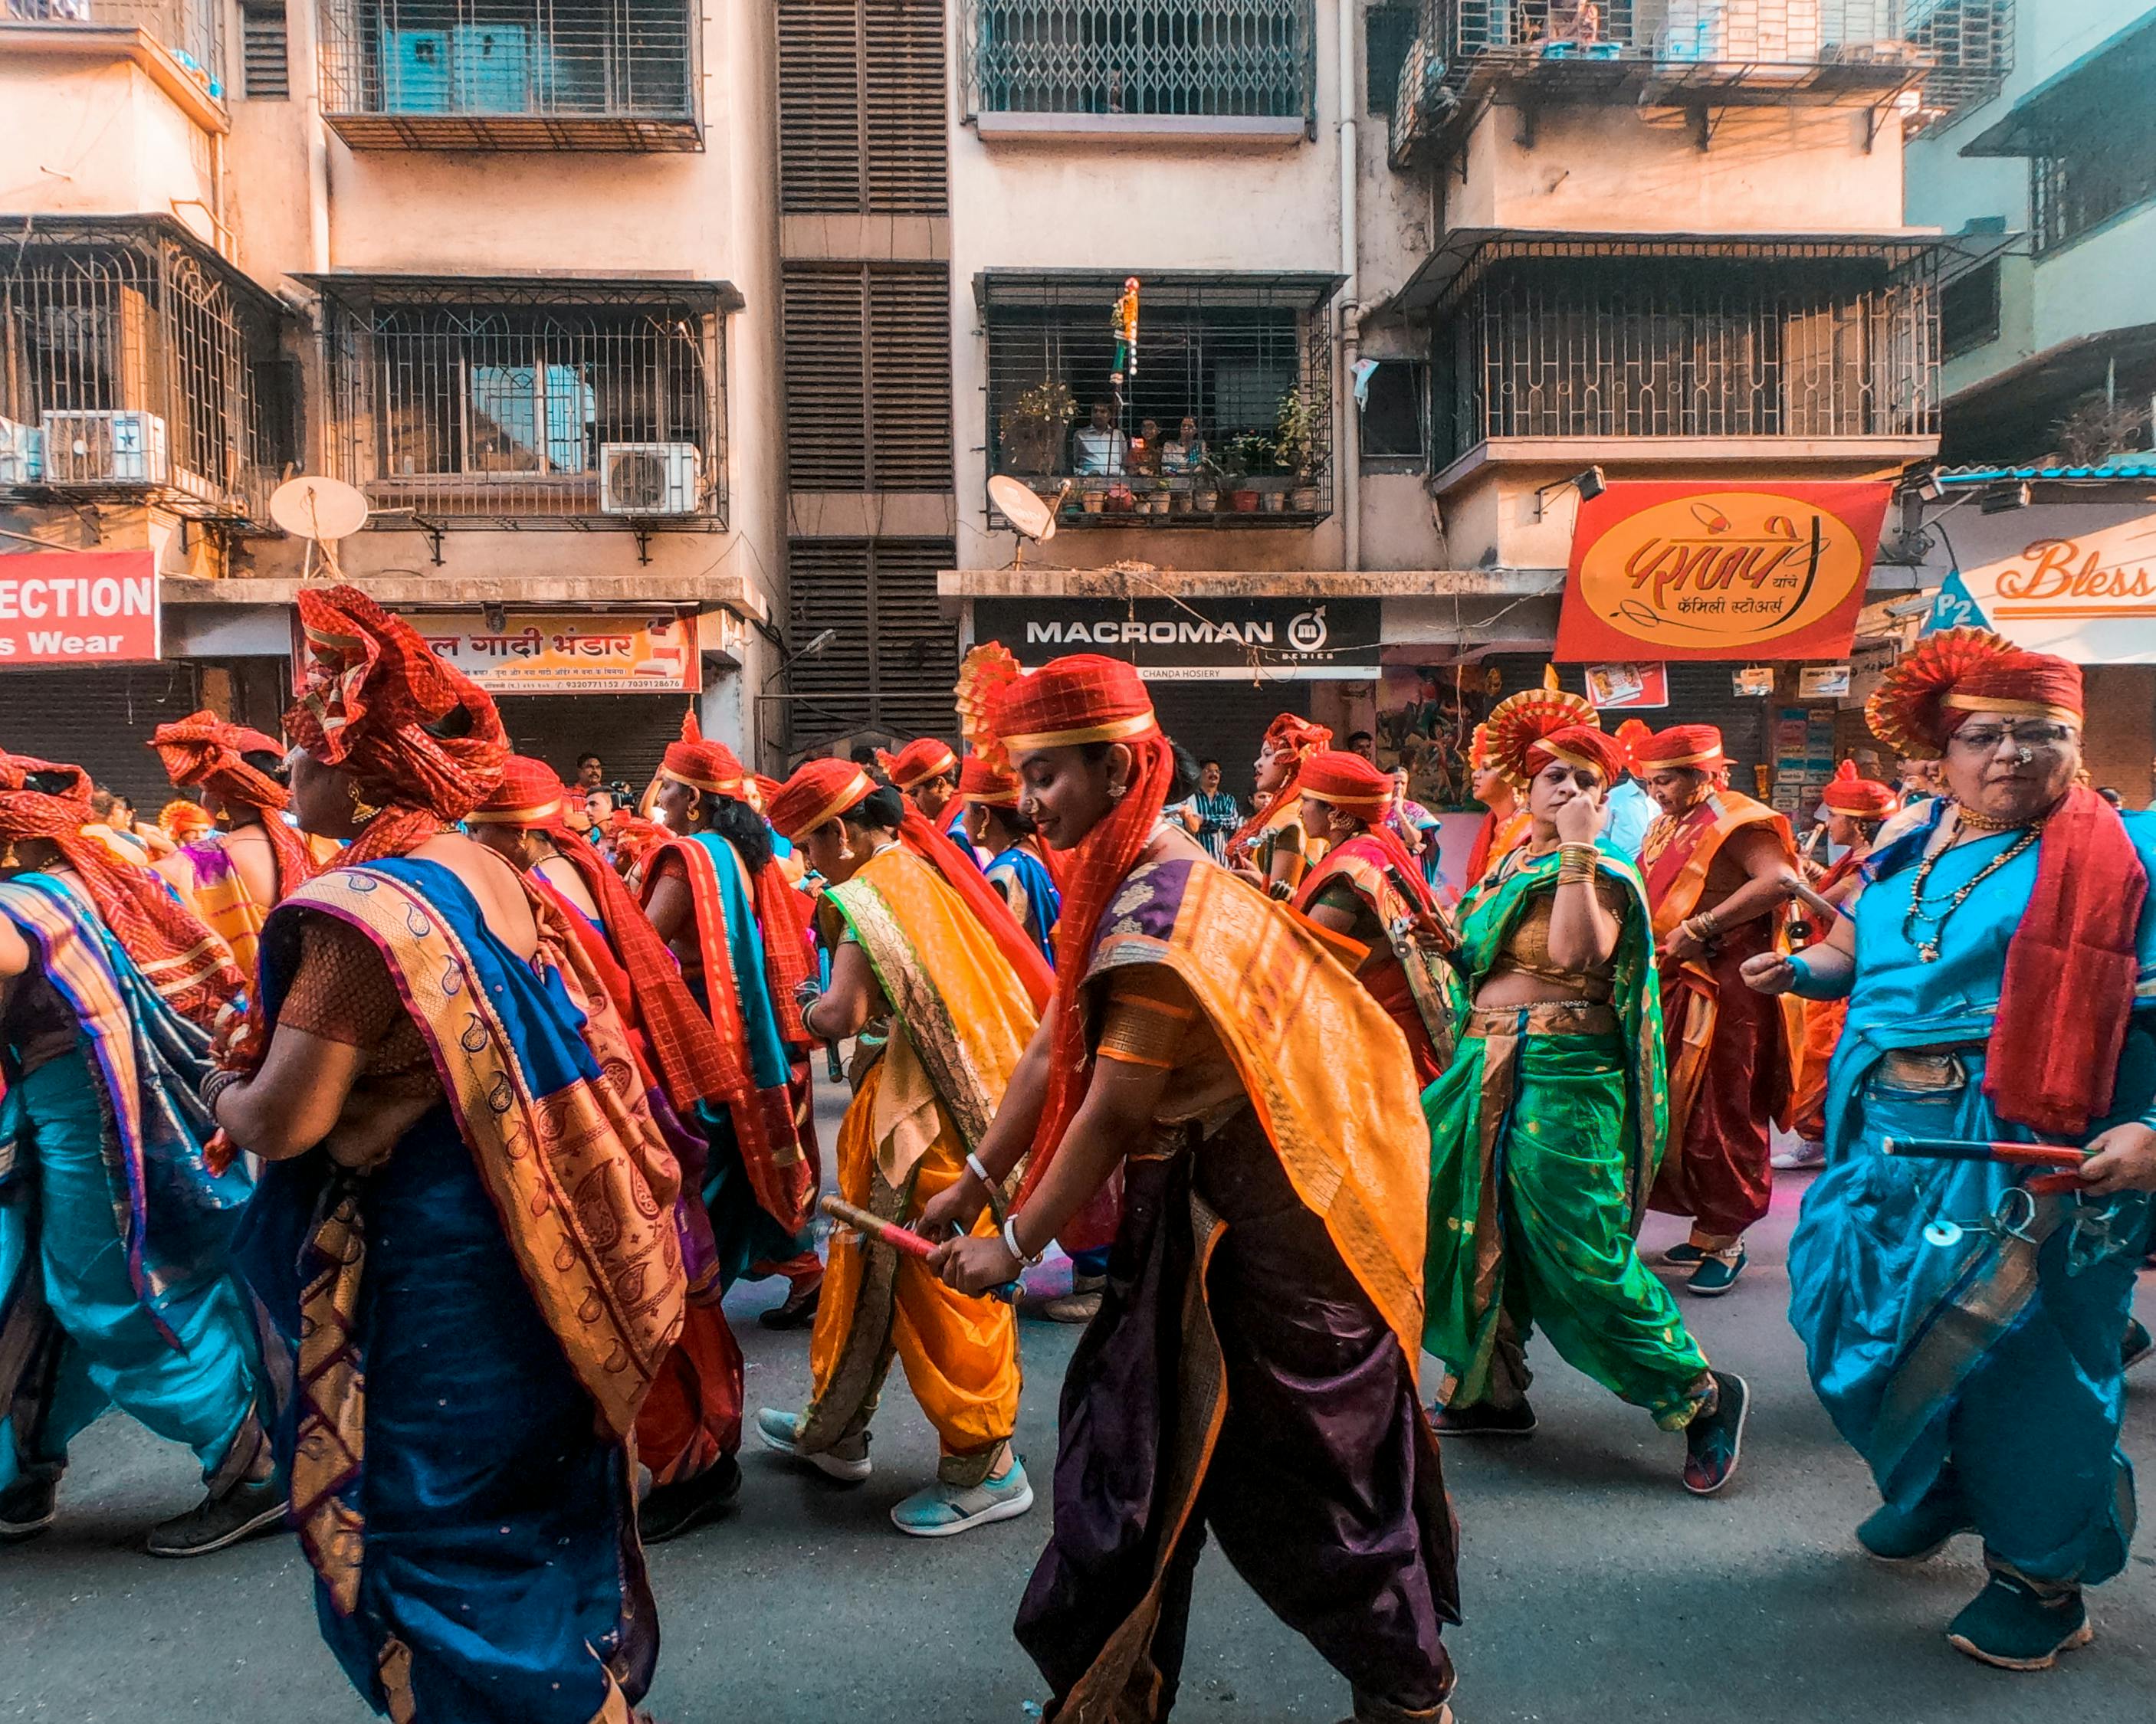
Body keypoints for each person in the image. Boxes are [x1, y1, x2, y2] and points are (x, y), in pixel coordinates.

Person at [922, 647, 1459, 1724]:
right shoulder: (1129, 880)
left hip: (1252, 1256)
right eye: (1021, 780)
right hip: (1198, 1229)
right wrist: (978, 1173)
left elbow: (1114, 1107)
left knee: (1307, 1498)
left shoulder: (1158, 916)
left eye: (1049, 777)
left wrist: (1013, 1242)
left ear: (1121, 771)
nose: (1029, 806)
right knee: (1122, 1476)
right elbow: (1047, 1052)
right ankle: (1117, 1690)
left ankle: (1406, 1699)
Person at [215, 587, 685, 1722]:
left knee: (438, 1545)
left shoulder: (357, 917)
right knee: (533, 1516)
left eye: (300, 738)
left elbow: (286, 1120)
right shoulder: (488, 873)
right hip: (536, 1255)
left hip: (434, 1276)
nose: (285, 759)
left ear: (358, 764)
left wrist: (227, 1090)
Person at [1748, 628, 2156, 1672]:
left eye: (2044, 732)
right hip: (1879, 1137)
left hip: (2032, 1144)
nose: (2014, 753)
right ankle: (1939, 1484)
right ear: (1941, 747)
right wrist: (1801, 974)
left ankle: (2040, 1577)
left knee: (2024, 1361)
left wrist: (2152, 1128)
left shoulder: (2131, 857)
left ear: (2076, 742)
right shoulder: (1909, 840)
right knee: (1847, 1315)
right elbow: (1866, 952)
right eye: (1989, 733)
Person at [1418, 691, 1749, 1491]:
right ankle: (1489, 1392)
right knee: (1470, 1230)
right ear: (1522, 790)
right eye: (1551, 779)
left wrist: (1574, 848)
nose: (1565, 792)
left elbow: (1574, 957)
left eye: (1583, 783)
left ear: (1603, 802)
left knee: (1582, 1253)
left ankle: (1697, 1393)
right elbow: (1484, 967)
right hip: (1483, 1064)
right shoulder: (1508, 865)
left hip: (1565, 1078)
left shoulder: (1599, 869)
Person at [467, 756, 755, 1543]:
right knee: (653, 1268)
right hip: (624, 1092)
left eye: (478, 829)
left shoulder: (539, 887)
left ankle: (688, 1457)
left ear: (520, 833)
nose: (469, 843)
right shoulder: (575, 867)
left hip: (595, 1102)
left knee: (624, 1275)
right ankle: (689, 1449)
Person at [756, 761, 1037, 1535]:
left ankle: (986, 1466)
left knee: (935, 1283)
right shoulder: (921, 869)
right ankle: (835, 1428)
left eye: (808, 847)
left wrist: (808, 1009)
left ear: (839, 832)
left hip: (913, 1126)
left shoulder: (862, 897)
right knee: (867, 1265)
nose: (808, 863)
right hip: (937, 1108)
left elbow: (844, 1014)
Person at [0, 752, 270, 1558]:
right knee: (35, 1291)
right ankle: (21, 1470)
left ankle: (251, 1467)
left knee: (119, 1300)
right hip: (78, 1119)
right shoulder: (73, 885)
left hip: (92, 1128)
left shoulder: (22, 906)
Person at [641, 715, 825, 1331]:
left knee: (706, 1162)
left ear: (692, 799)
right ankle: (802, 1273)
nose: (659, 796)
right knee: (747, 1160)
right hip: (751, 1026)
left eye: (665, 786)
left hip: (704, 1022)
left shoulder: (688, 858)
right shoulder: (746, 854)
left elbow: (644, 943)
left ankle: (692, 1295)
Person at [1633, 723, 1799, 1296]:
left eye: (1667, 781)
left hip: (1724, 991)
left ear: (1705, 774)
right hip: (1671, 981)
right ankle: (1706, 1228)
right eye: (1651, 782)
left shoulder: (1737, 819)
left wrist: (1701, 926)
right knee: (1672, 1109)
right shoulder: (1667, 823)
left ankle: (1726, 1236)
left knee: (1722, 1109)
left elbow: (1779, 881)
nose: (1657, 793)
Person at [1292, 749, 1459, 1086]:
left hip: (1386, 1019)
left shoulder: (1353, 865)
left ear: (1336, 813)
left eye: (1308, 800)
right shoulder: (1360, 849)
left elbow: (1308, 944)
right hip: (1380, 1011)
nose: (1299, 810)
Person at [1774, 759, 1897, 1173]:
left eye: (1835, 816)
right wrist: (1809, 873)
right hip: (1825, 959)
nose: (1827, 822)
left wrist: (1793, 884)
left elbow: (1835, 909)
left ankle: (1821, 1140)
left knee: (1815, 1058)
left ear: (1858, 824)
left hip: (1839, 971)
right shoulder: (1856, 858)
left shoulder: (1867, 864)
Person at [149, 710, 318, 982]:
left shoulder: (188, 867)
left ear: (218, 797)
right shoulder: (320, 843)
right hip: (315, 1000)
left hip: (233, 1013)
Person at [959, 752, 1061, 969]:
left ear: (984, 816)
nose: (963, 820)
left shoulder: (1002, 874)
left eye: (965, 809)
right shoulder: (1034, 849)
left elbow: (993, 960)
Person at [1225, 713, 1331, 898]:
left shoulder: (1291, 822)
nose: (1257, 764)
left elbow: (1279, 907)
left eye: (1267, 755)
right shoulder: (1284, 813)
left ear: (1292, 763)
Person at [1461, 723, 1532, 890]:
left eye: (1486, 768)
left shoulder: (1531, 832)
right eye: (1477, 768)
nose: (1475, 775)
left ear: (1511, 776)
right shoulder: (1491, 825)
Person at [1598, 717, 1658, 860]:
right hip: (1625, 872)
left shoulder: (1665, 795)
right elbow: (1601, 836)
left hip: (1660, 871)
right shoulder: (1615, 797)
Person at [1182, 758, 1242, 864]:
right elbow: (1189, 827)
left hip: (1223, 860)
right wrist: (1216, 821)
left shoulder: (1227, 799)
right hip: (1198, 859)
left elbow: (1232, 822)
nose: (1214, 774)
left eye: (1217, 771)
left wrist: (1203, 820)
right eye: (1208, 771)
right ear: (1199, 774)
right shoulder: (1191, 799)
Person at [1072, 401, 1131, 475]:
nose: (1098, 415)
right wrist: (1087, 474)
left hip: (1116, 482)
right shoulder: (1080, 435)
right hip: (1089, 482)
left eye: (1103, 412)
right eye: (1095, 411)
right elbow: (1072, 464)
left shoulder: (1118, 435)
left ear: (1110, 415)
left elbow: (1125, 462)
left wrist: (1120, 473)